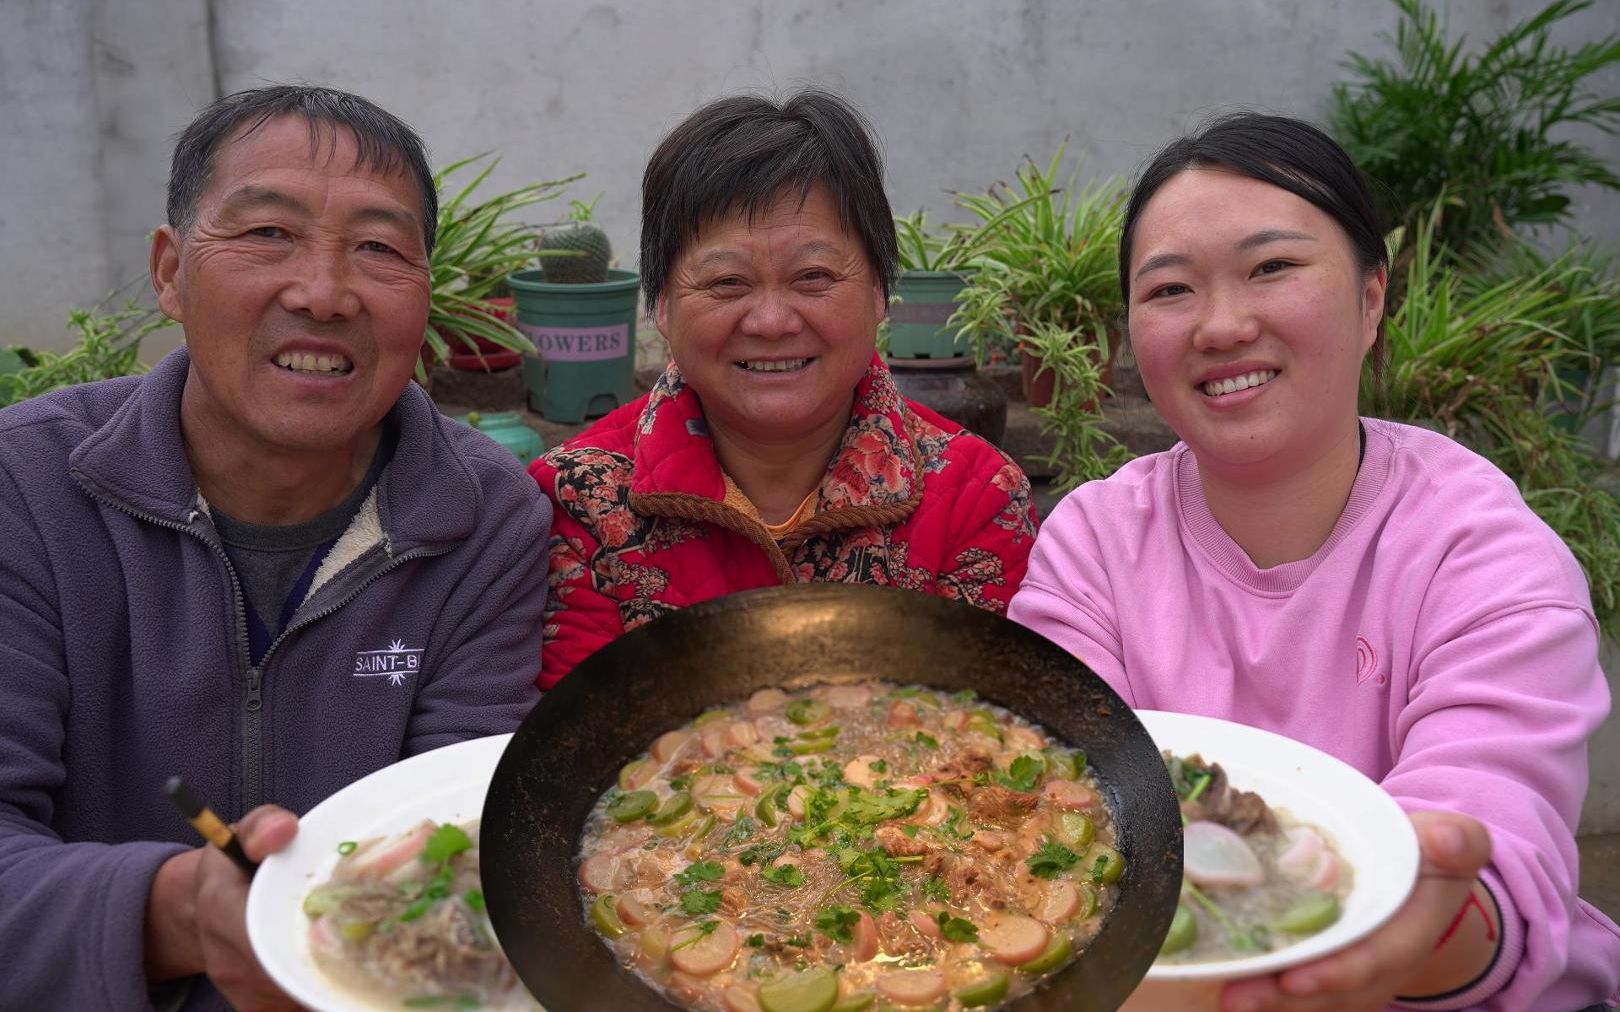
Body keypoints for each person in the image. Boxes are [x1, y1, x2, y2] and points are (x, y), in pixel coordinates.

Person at [1008, 112, 1620, 1011]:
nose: (1221, 325)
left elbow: (1489, 847)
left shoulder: (1484, 552)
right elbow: (1049, 798)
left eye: (1273, 268)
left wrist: (1409, 927)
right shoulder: (1093, 542)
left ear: (1373, 298)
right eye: (1171, 289)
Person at [0, 86, 551, 1010]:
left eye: (378, 249)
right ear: (170, 272)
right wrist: (172, 913)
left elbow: (462, 834)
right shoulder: (26, 489)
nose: (323, 293)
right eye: (267, 235)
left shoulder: (485, 517)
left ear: (427, 295)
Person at [531, 89, 1037, 688]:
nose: (772, 321)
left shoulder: (972, 496)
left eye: (814, 276)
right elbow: (576, 745)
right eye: (726, 282)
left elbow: (979, 741)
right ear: (660, 306)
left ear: (879, 291)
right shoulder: (575, 497)